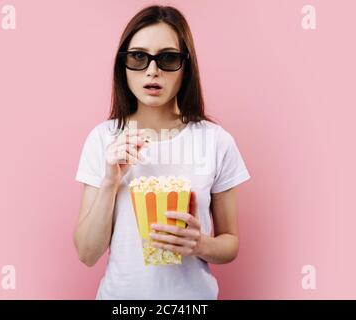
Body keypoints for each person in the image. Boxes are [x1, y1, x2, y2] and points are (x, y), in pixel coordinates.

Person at [74, 5, 251, 299]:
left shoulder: (216, 141)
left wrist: (199, 244)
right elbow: (87, 253)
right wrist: (110, 181)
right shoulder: (103, 139)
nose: (152, 70)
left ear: (186, 67)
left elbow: (230, 242)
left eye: (168, 58)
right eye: (138, 57)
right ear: (124, 65)